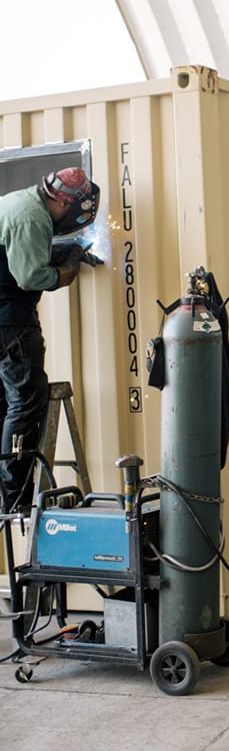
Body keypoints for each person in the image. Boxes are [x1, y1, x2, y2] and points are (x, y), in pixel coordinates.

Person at [0, 168, 100, 510]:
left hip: (5, 319)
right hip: (10, 324)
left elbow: (14, 254)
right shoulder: (32, 218)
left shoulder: (21, 203)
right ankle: (15, 500)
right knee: (26, 402)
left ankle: (5, 491)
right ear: (61, 199)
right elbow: (30, 277)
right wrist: (65, 271)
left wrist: (62, 251)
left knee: (5, 405)